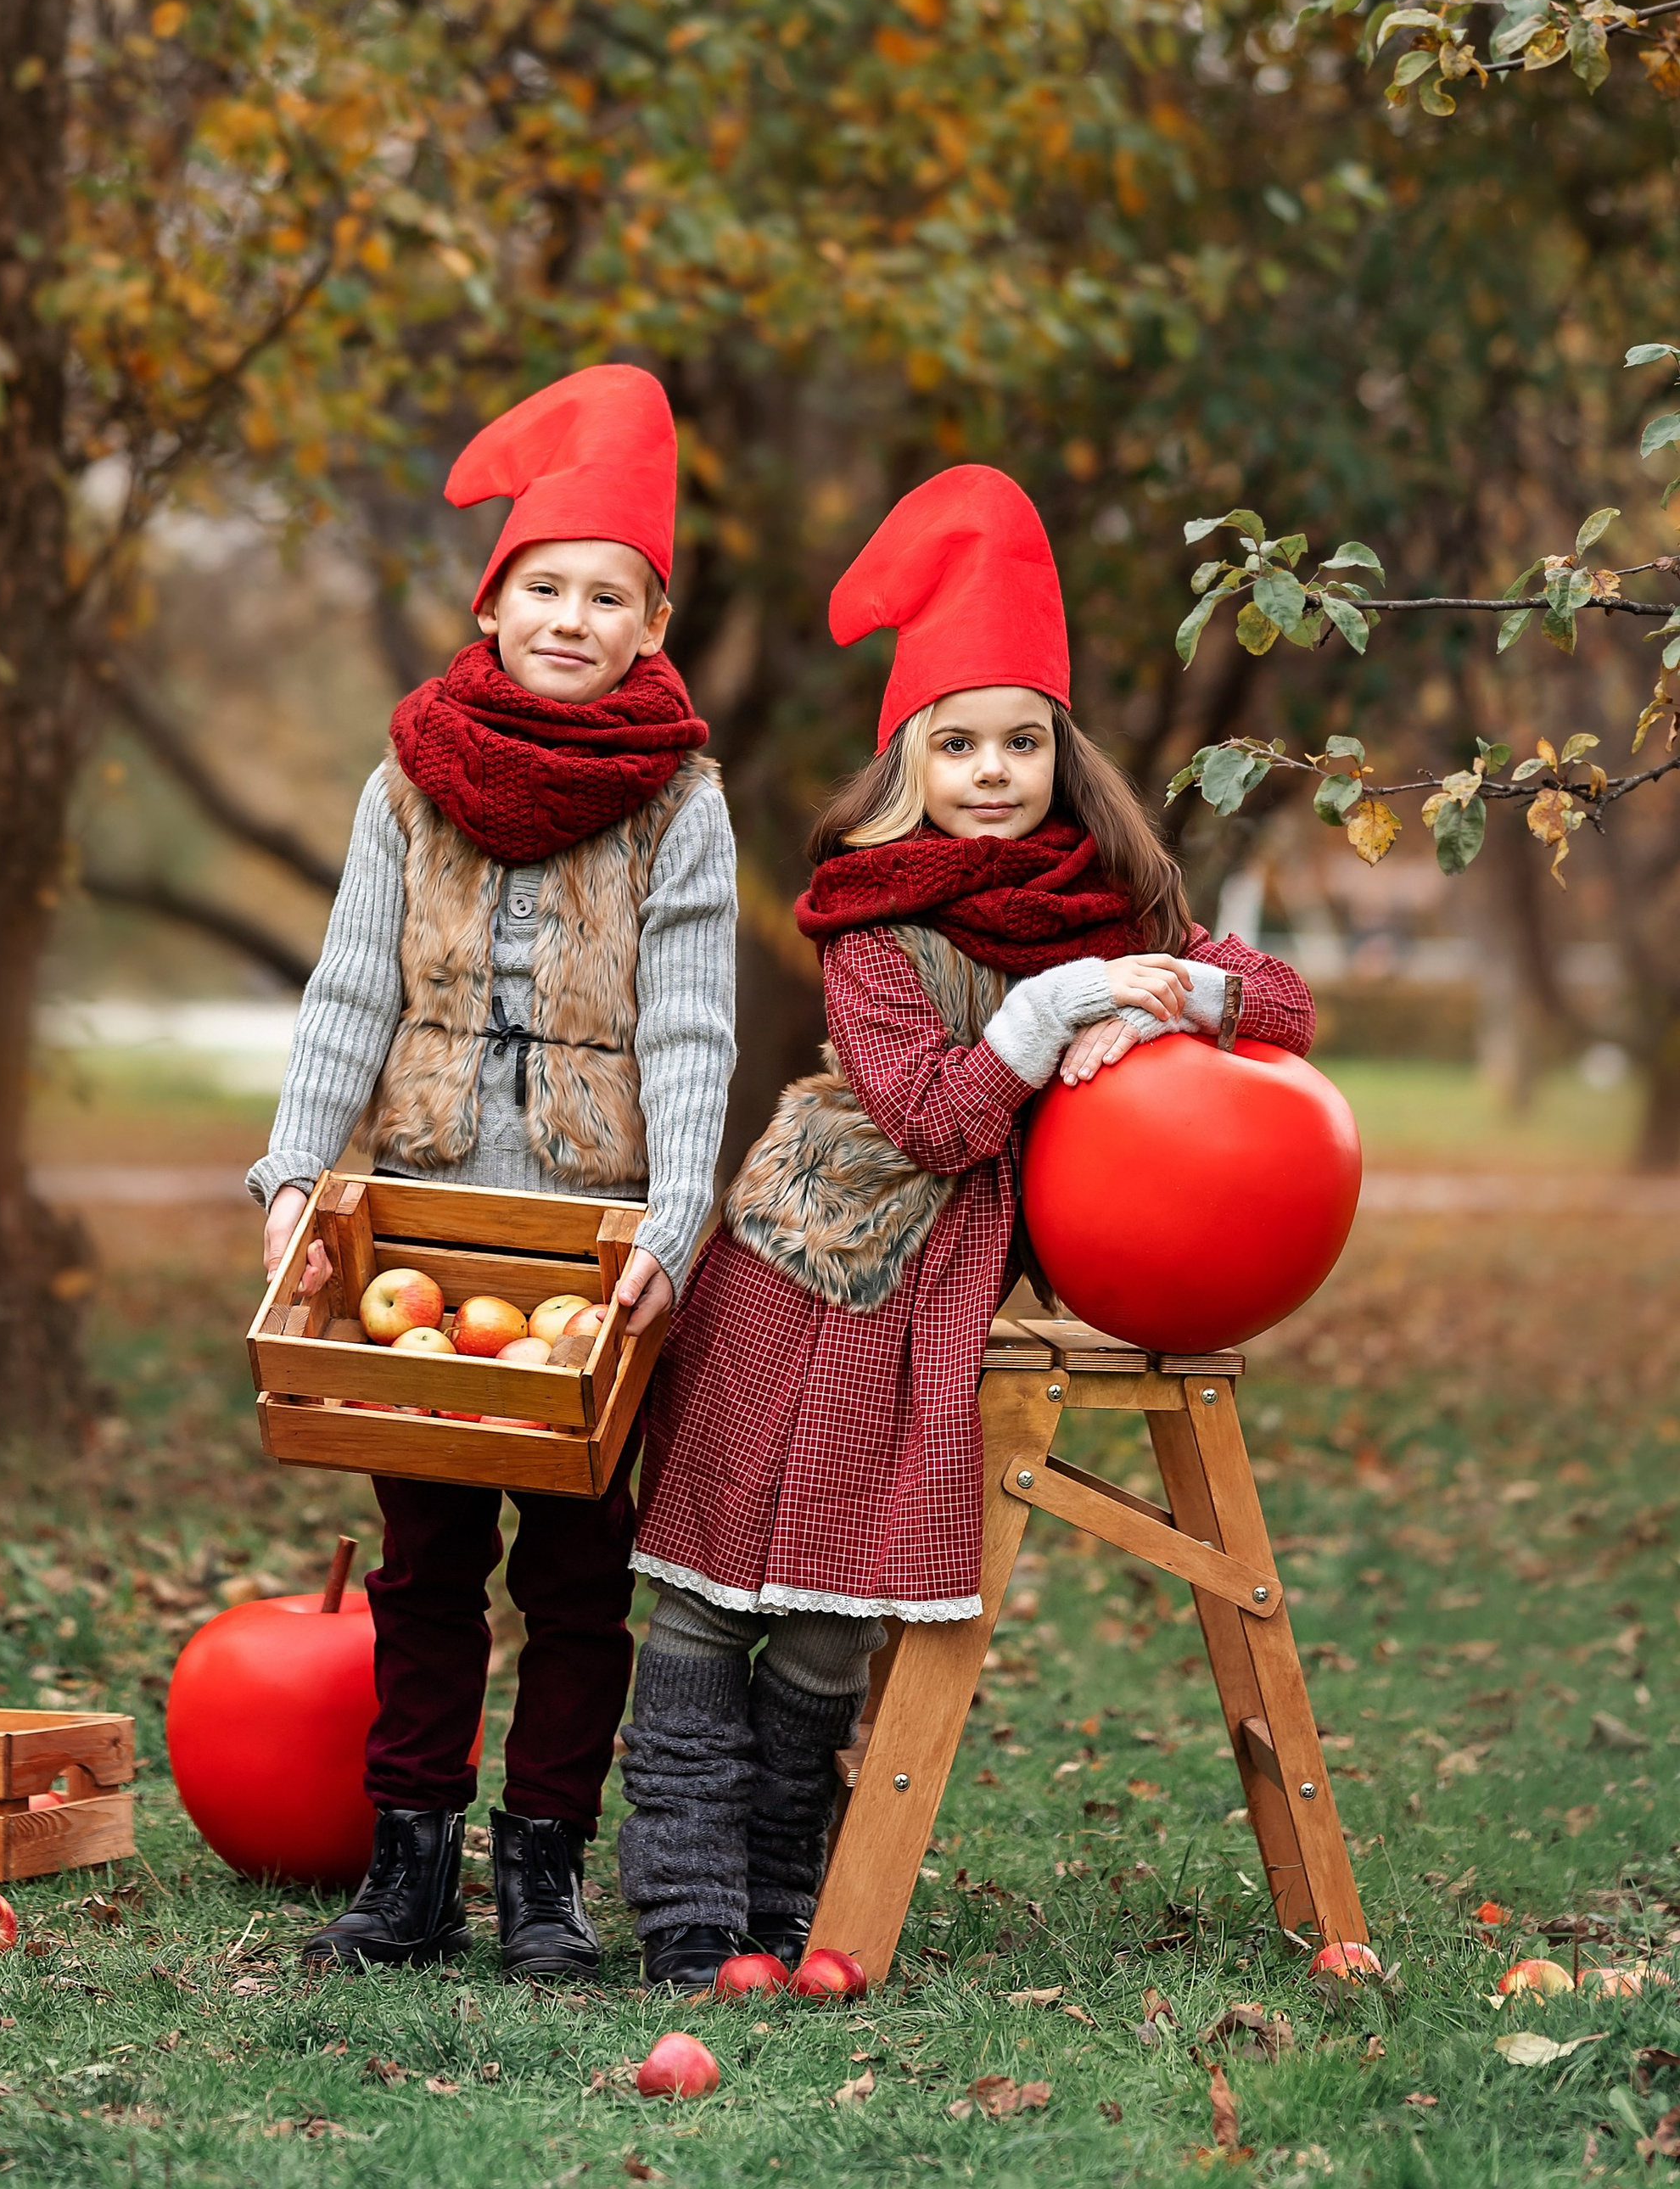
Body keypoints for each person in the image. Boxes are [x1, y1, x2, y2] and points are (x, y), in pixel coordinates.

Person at [618, 464, 1314, 1989]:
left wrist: (1181, 995)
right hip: (802, 1280)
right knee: (707, 1593)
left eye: (1019, 743)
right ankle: (681, 1915)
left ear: (1062, 759)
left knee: (830, 1620)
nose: (990, 773)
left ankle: (784, 1907)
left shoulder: (1113, 905)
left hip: (938, 1314)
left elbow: (1288, 1004)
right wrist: (1059, 1013)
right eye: (956, 744)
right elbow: (934, 1121)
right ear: (906, 759)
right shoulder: (874, 923)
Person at [246, 363, 737, 1982]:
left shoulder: (680, 802)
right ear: (496, 602)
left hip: (597, 1239)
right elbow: (351, 992)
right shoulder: (411, 782)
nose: (574, 617)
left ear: (651, 627)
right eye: (546, 587)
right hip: (430, 1226)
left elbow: (689, 1029)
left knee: (584, 1581)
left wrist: (675, 1219)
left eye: (610, 595)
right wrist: (293, 1179)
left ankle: (545, 1877)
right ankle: (409, 1871)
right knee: (429, 1563)